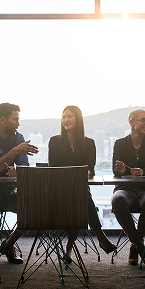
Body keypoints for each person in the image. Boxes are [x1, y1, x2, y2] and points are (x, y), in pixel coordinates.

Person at [48, 106, 116, 264]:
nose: (66, 120)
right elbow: (53, 167)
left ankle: (69, 248)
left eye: (70, 116)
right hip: (59, 191)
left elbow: (91, 169)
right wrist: (76, 175)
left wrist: (87, 174)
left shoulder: (89, 143)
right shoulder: (54, 141)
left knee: (80, 197)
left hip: (79, 190)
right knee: (82, 199)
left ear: (78, 119)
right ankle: (100, 236)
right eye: (64, 116)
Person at [0, 103, 38, 264]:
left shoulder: (19, 138)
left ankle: (8, 245)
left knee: (33, 212)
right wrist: (15, 151)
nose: (18, 123)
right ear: (2, 120)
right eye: (15, 119)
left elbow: (24, 165)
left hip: (10, 192)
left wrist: (19, 171)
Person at [111, 109, 145, 266]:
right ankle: (140, 247)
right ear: (132, 122)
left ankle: (135, 245)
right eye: (144, 120)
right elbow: (115, 170)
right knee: (117, 200)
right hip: (126, 188)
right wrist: (120, 170)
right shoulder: (120, 143)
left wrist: (143, 171)